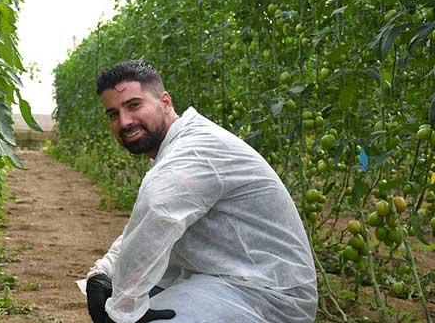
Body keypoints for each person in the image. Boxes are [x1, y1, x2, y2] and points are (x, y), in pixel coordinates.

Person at [85, 59, 317, 323]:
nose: (124, 121)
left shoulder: (193, 150)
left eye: (134, 105)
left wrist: (123, 310)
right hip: (223, 276)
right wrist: (103, 273)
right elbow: (145, 226)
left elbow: (157, 214)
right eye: (113, 114)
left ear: (165, 102)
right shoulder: (178, 146)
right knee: (112, 291)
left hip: (267, 295)